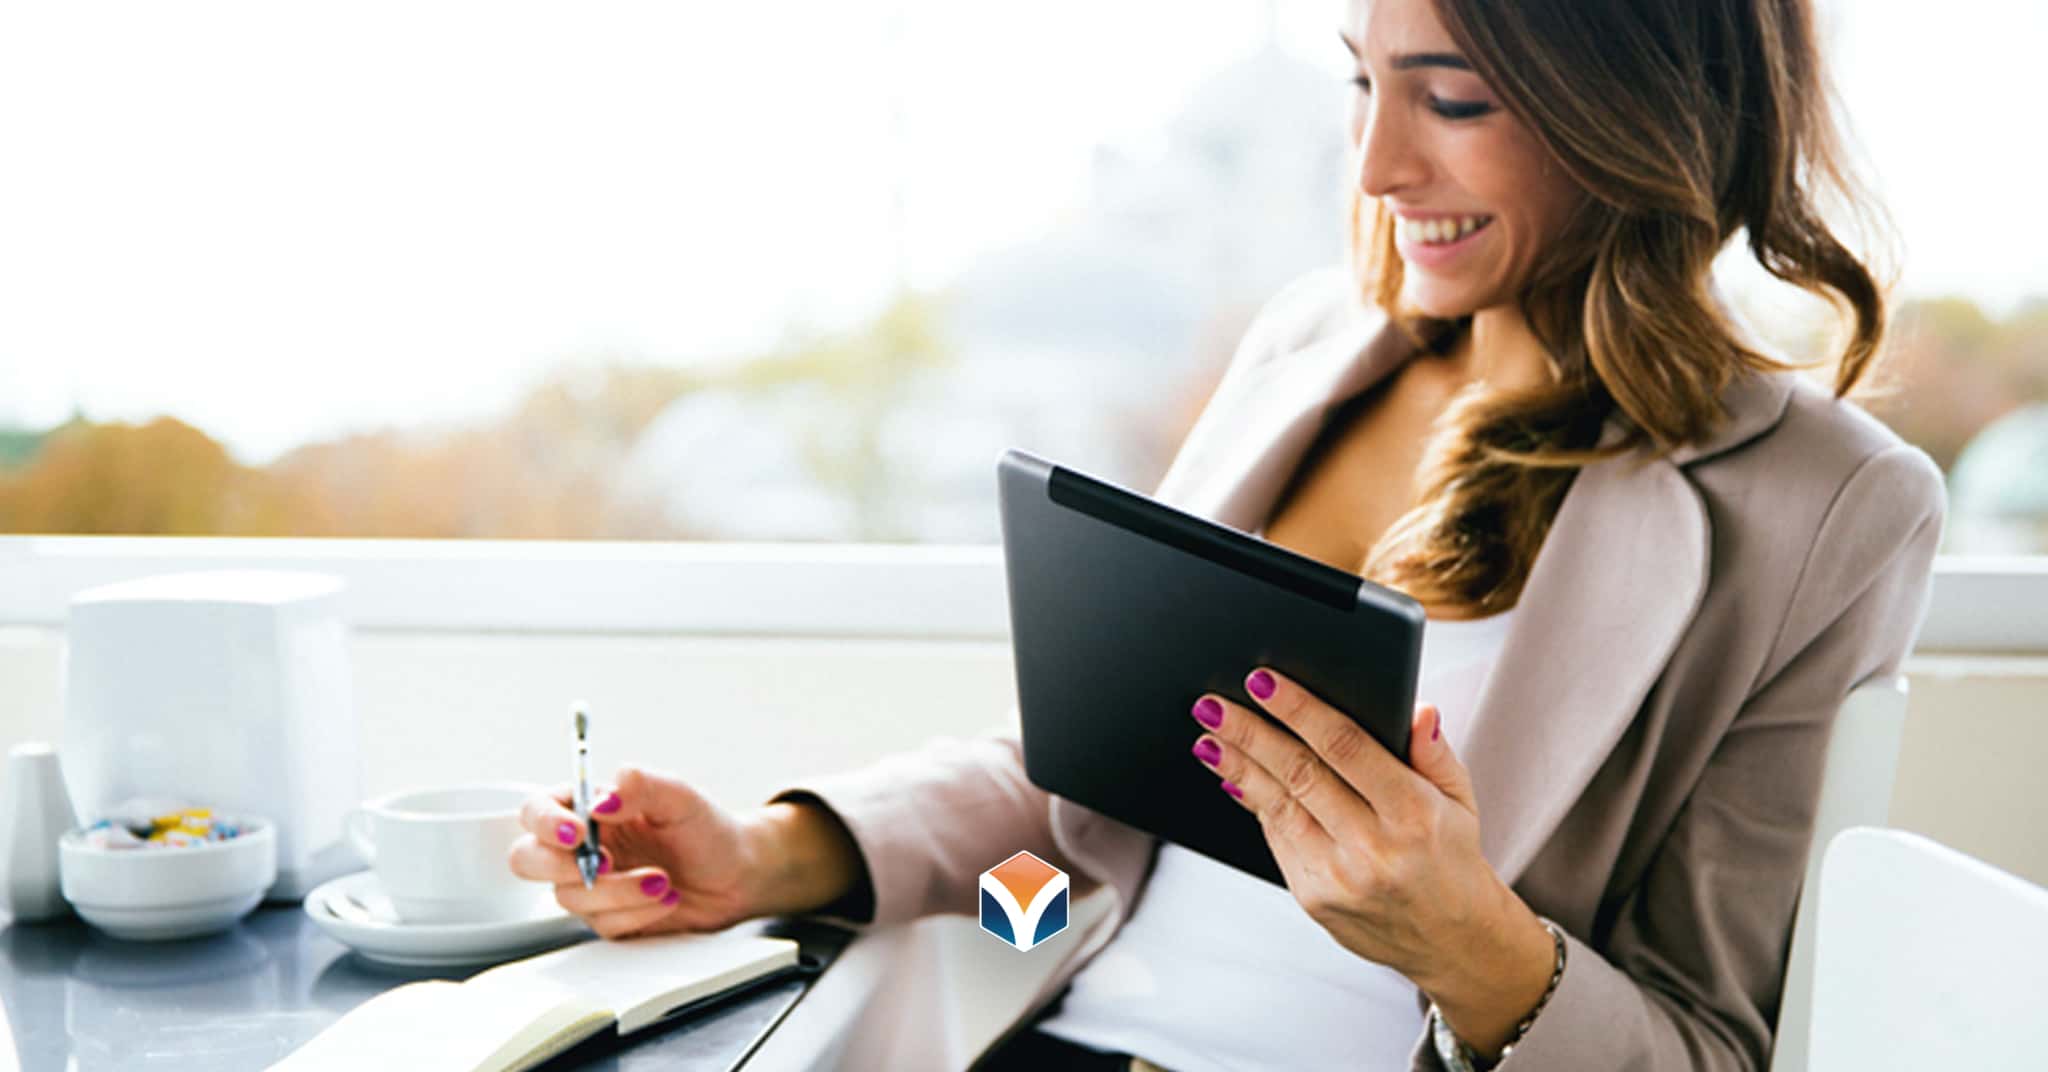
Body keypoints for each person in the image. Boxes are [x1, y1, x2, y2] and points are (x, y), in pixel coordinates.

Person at [509, 0, 1946, 1067]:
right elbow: (1088, 788)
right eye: (1361, 85)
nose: (1378, 166)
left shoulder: (1823, 511)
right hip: (1055, 1036)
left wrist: (1472, 944)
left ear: (1641, 111)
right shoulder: (1312, 348)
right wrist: (769, 854)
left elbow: (1714, 1047)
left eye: (1451, 101)